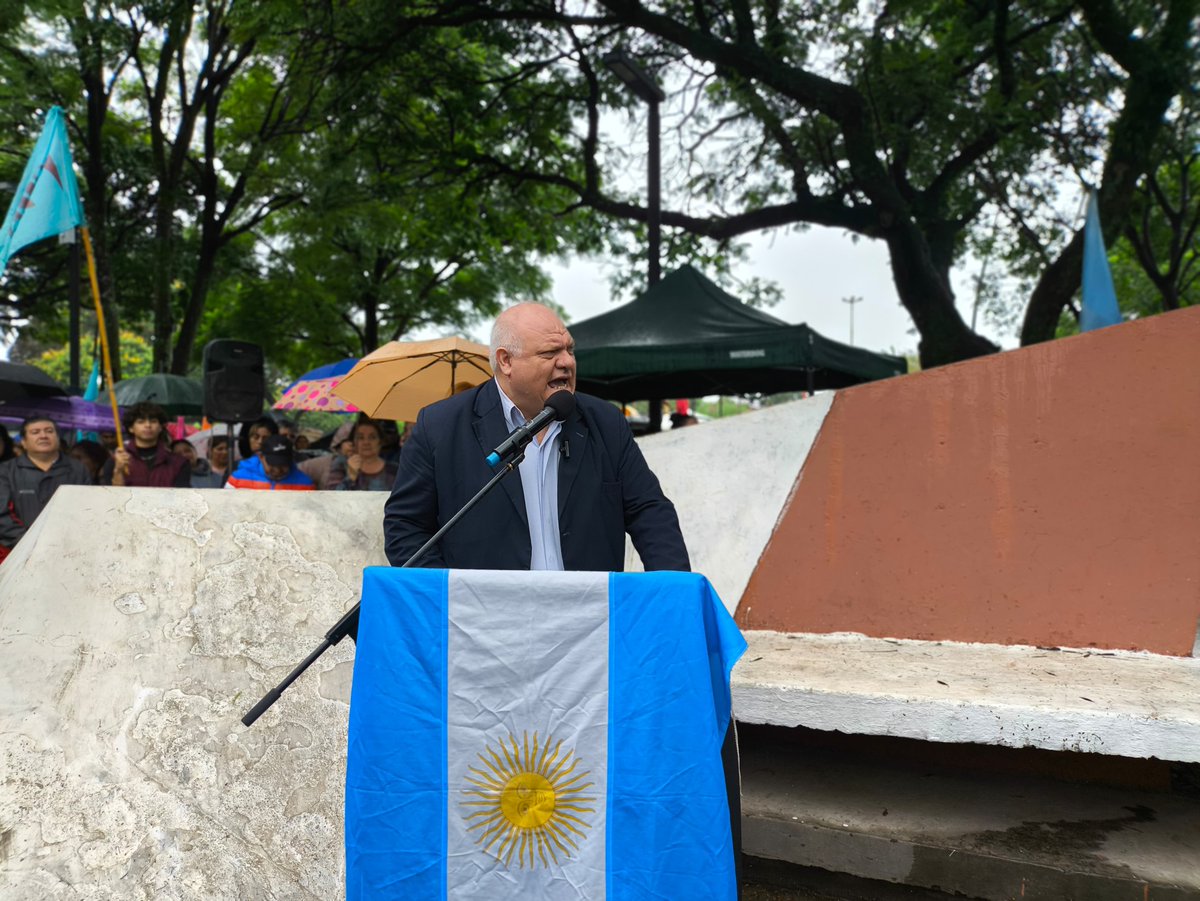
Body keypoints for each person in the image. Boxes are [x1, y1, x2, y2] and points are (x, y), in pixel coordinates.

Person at [383, 302, 689, 572]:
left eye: (569, 350)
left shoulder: (606, 423)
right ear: (506, 361)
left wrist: (673, 591)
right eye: (550, 353)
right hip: (484, 623)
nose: (567, 362)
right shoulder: (439, 426)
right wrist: (452, 598)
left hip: (589, 619)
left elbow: (650, 512)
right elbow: (406, 528)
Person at [0, 417, 92, 559]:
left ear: (57, 437)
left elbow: (89, 509)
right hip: (20, 553)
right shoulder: (6, 471)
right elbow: (2, 515)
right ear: (23, 442)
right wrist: (29, 543)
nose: (43, 435)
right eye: (35, 432)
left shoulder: (77, 469)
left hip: (71, 550)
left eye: (49, 431)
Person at [102, 402, 190, 487]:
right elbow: (114, 497)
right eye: (141, 422)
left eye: (153, 421)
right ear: (131, 428)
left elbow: (182, 498)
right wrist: (118, 470)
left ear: (160, 427)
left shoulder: (178, 463)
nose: (148, 425)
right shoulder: (116, 461)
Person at [225, 434, 314, 491]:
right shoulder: (237, 480)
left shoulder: (305, 484)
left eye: (283, 465)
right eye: (272, 464)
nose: (278, 470)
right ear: (261, 457)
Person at [333, 420, 399, 491]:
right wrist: (350, 478)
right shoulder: (341, 465)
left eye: (372, 437)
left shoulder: (395, 470)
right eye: (361, 437)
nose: (366, 442)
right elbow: (332, 497)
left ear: (380, 442)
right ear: (354, 442)